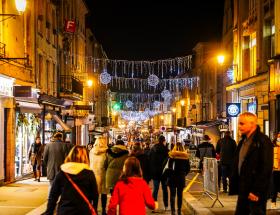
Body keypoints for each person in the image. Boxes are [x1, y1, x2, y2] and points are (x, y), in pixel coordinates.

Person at [229, 112, 273, 215]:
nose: (239, 126)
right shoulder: (243, 141)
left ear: (252, 124)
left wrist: (256, 190)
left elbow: (266, 168)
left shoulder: (263, 141)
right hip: (244, 188)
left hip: (255, 191)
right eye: (239, 123)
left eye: (242, 123)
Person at [44, 145, 98, 215]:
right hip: (83, 211)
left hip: (65, 211)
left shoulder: (62, 173)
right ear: (86, 157)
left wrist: (49, 212)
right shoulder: (89, 174)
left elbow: (53, 196)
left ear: (70, 155)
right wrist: (94, 209)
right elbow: (95, 195)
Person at [167, 142, 190, 215]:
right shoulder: (185, 157)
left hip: (172, 177)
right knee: (180, 195)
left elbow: (169, 167)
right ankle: (179, 210)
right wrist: (183, 174)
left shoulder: (172, 156)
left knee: (172, 195)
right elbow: (188, 169)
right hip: (181, 177)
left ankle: (173, 211)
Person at [149, 135, 169, 211]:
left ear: (158, 140)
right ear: (163, 140)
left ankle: (154, 207)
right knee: (165, 189)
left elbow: (149, 160)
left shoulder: (153, 149)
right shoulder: (166, 150)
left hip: (155, 172)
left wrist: (151, 170)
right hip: (164, 173)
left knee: (155, 189)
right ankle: (166, 206)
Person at [89, 137, 108, 215]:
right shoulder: (106, 152)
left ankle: (94, 210)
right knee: (104, 193)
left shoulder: (91, 151)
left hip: (93, 174)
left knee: (94, 193)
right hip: (103, 173)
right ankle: (103, 210)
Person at [271, 132, 280, 209]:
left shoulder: (272, 146)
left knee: (275, 186)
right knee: (275, 186)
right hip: (276, 169)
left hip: (275, 169)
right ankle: (273, 202)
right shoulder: (274, 147)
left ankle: (273, 202)